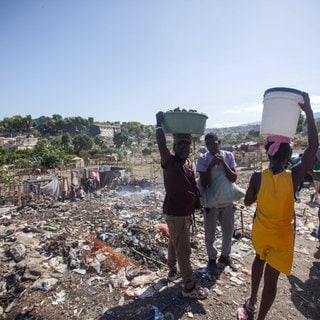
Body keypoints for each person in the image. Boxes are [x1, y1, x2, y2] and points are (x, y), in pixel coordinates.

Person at [237, 92, 318, 320]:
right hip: (282, 237)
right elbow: (313, 147)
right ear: (289, 154)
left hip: (262, 232)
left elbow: (247, 201)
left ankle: (250, 302)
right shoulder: (294, 176)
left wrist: (257, 195)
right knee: (271, 281)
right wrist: (309, 111)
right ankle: (260, 317)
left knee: (258, 259)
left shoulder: (256, 176)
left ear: (266, 151)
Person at [155, 111, 208, 300]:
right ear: (174, 147)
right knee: (184, 251)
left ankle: (171, 270)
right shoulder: (169, 162)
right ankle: (189, 287)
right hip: (176, 213)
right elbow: (161, 144)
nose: (185, 148)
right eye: (180, 145)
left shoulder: (187, 164)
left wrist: (198, 203)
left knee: (174, 242)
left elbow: (192, 185)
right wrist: (159, 125)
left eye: (187, 145)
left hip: (184, 213)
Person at [196, 133, 240, 276]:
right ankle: (212, 260)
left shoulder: (228, 156)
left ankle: (225, 257)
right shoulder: (203, 159)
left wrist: (224, 164)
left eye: (213, 143)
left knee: (228, 232)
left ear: (219, 142)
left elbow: (233, 178)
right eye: (208, 144)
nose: (211, 147)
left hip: (227, 202)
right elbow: (205, 183)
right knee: (210, 233)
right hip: (211, 203)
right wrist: (211, 166)